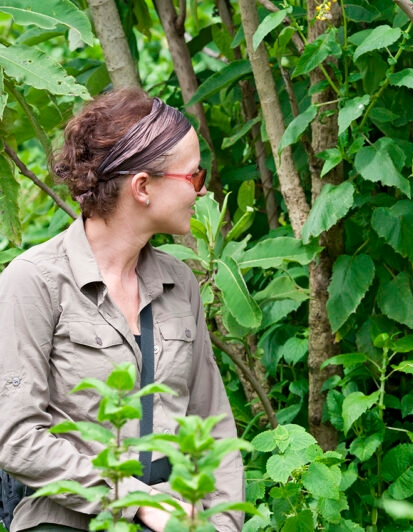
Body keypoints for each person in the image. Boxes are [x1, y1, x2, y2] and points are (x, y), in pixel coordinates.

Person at [0, 88, 245, 531]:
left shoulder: (181, 284)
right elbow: (17, 439)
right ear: (143, 188)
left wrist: (221, 524)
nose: (203, 191)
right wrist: (131, 498)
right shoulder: (32, 280)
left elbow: (215, 430)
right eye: (193, 178)